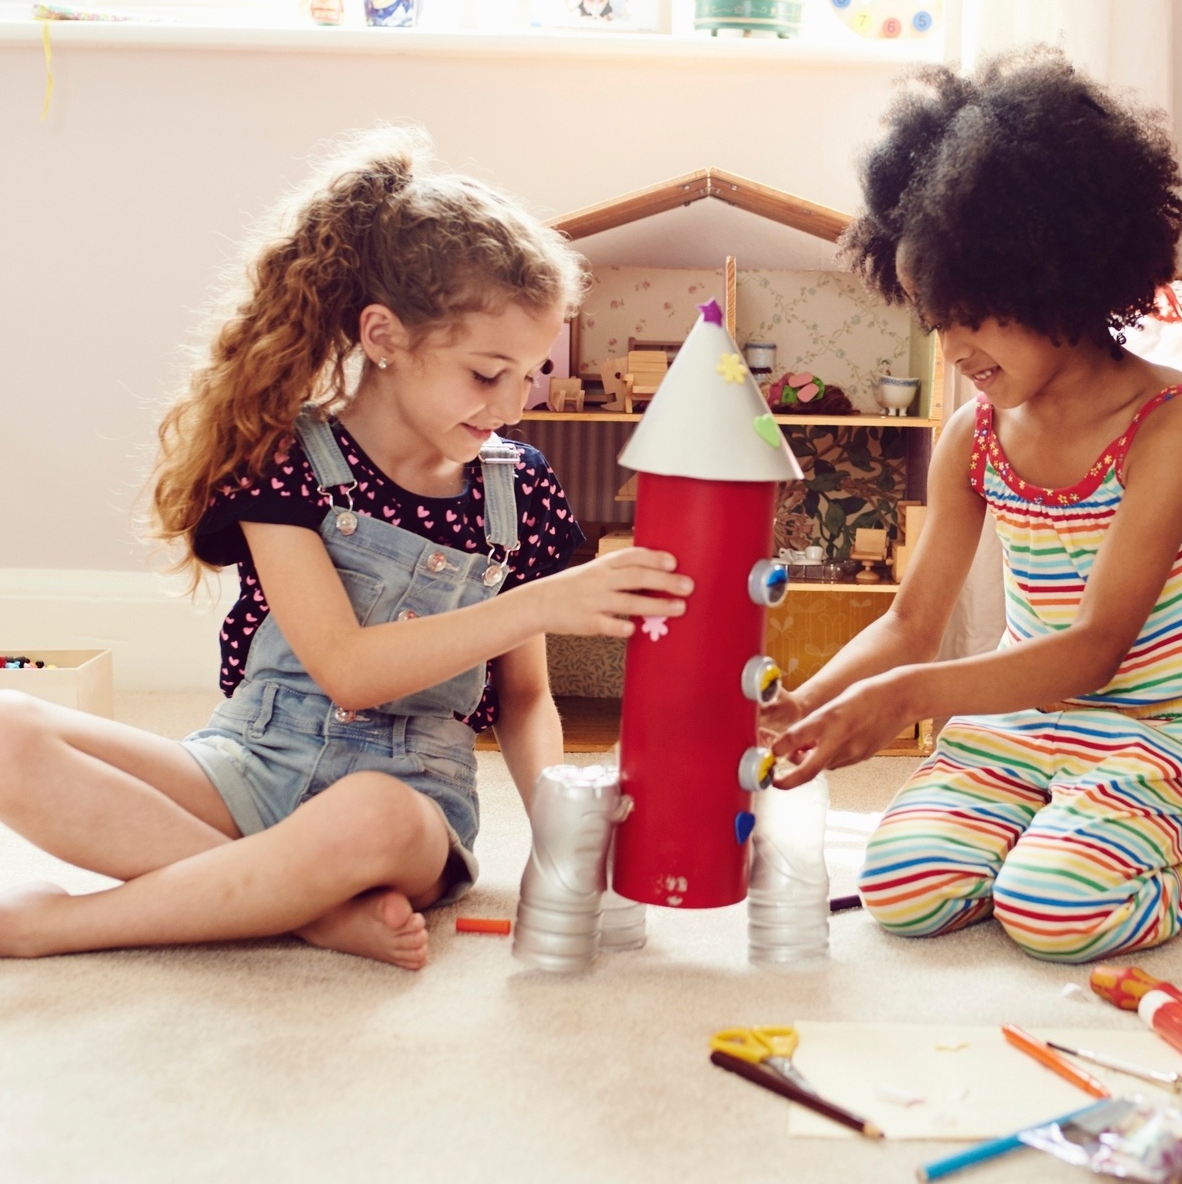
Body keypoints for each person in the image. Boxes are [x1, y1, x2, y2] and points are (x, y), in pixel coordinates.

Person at [0, 128, 691, 969]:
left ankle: (56, 926)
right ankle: (304, 908)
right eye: (484, 373)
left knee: (369, 813)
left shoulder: (518, 489)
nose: (512, 402)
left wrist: (561, 841)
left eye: (529, 372)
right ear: (384, 335)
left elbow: (521, 701)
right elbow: (346, 668)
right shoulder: (285, 458)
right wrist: (544, 598)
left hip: (406, 801)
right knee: (8, 728)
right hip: (251, 762)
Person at [767, 49, 1182, 963]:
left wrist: (905, 698)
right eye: (933, 318)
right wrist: (807, 702)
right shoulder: (976, 435)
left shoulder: (1169, 427)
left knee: (1054, 914)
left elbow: (1093, 650)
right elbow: (912, 621)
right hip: (1025, 723)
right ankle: (1051, 827)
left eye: (972, 313)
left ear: (1057, 275)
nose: (951, 346)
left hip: (1161, 733)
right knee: (902, 891)